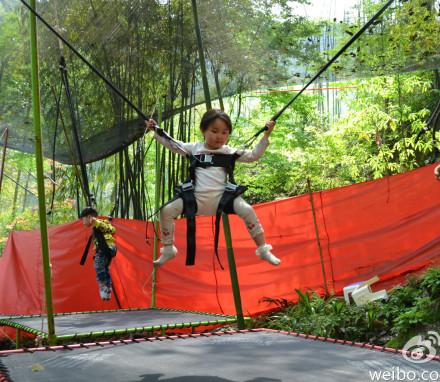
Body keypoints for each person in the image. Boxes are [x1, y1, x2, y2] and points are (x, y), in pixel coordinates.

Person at [145, 108, 281, 267]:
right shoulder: (195, 148)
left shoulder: (229, 151)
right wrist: (156, 130)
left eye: (224, 132)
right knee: (166, 211)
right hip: (195, 200)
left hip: (222, 200)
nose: (219, 136)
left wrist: (266, 135)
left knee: (247, 210)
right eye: (214, 131)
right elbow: (174, 144)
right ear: (203, 130)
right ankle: (168, 249)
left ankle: (263, 250)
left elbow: (253, 156)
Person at [80, 207, 117, 300]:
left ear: (89, 217)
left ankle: (103, 286)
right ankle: (107, 289)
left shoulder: (100, 223)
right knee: (105, 268)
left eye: (83, 219)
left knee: (97, 265)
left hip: (106, 249)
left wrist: (95, 221)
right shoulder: (97, 227)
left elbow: (112, 229)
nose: (82, 222)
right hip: (106, 249)